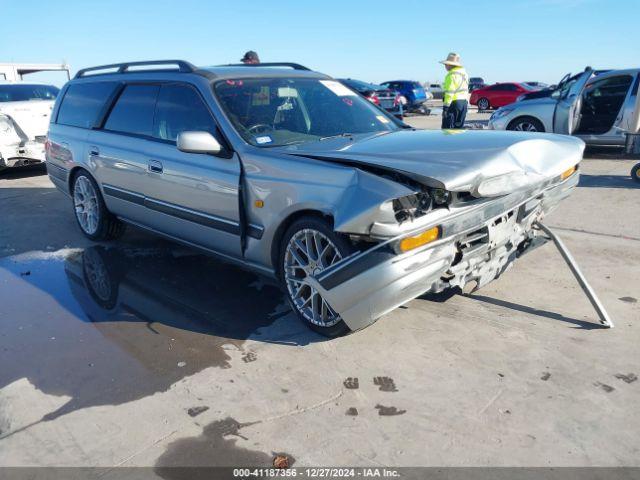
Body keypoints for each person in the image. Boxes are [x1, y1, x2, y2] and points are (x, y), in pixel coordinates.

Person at [439, 52, 469, 129]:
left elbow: (450, 93)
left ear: (450, 64)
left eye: (445, 64)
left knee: (448, 130)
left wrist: (445, 108)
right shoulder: (464, 74)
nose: (445, 66)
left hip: (454, 104)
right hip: (464, 104)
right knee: (458, 130)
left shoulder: (451, 75)